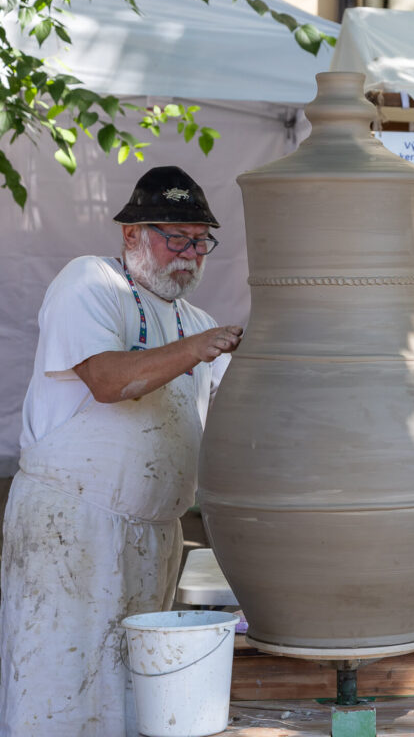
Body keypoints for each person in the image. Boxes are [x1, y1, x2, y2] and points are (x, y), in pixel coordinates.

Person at [0, 166, 243, 736]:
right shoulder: (91, 283)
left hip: (155, 532)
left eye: (200, 240)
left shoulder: (195, 321)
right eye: (173, 236)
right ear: (131, 234)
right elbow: (109, 381)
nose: (188, 253)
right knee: (63, 689)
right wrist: (198, 349)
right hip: (74, 527)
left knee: (138, 700)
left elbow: (244, 413)